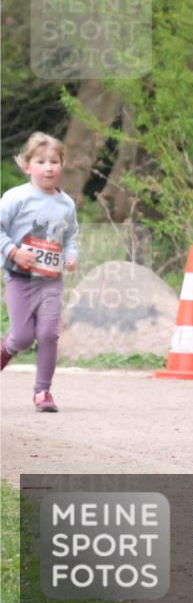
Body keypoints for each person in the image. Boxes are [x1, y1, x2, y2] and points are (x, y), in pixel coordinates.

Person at [0, 132, 80, 412]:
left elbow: (71, 236)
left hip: (50, 280)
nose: (49, 167)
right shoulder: (16, 198)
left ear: (62, 165)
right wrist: (13, 251)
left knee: (48, 334)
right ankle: (4, 351)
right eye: (41, 161)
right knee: (21, 338)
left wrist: (71, 255)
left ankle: (42, 392)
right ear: (27, 166)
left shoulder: (66, 204)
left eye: (55, 161)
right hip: (19, 278)